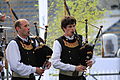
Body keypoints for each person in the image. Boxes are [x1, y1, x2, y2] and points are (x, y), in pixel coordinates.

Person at [51, 16, 94, 80]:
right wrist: (74, 68)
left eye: (74, 26)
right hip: (66, 78)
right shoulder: (58, 42)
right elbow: (55, 63)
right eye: (70, 27)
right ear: (64, 28)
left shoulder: (81, 39)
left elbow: (92, 53)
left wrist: (92, 61)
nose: (73, 29)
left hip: (80, 77)